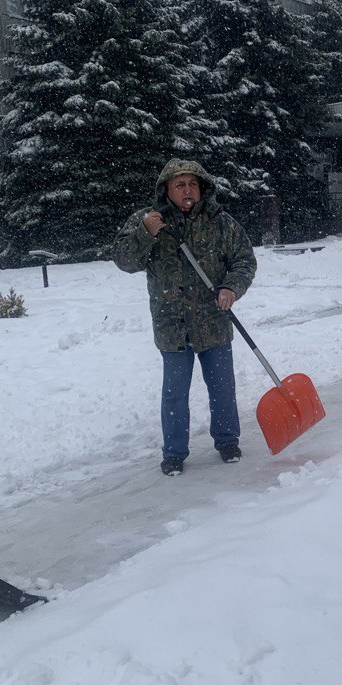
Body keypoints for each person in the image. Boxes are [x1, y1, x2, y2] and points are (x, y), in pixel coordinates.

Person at [113, 159, 256, 475]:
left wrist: (231, 288)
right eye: (180, 185)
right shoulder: (149, 220)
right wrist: (145, 233)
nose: (188, 190)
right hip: (172, 325)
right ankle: (174, 452)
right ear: (166, 190)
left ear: (202, 187)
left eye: (192, 184)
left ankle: (227, 440)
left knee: (222, 387)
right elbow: (124, 261)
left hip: (213, 321)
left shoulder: (220, 222)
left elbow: (245, 261)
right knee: (174, 393)